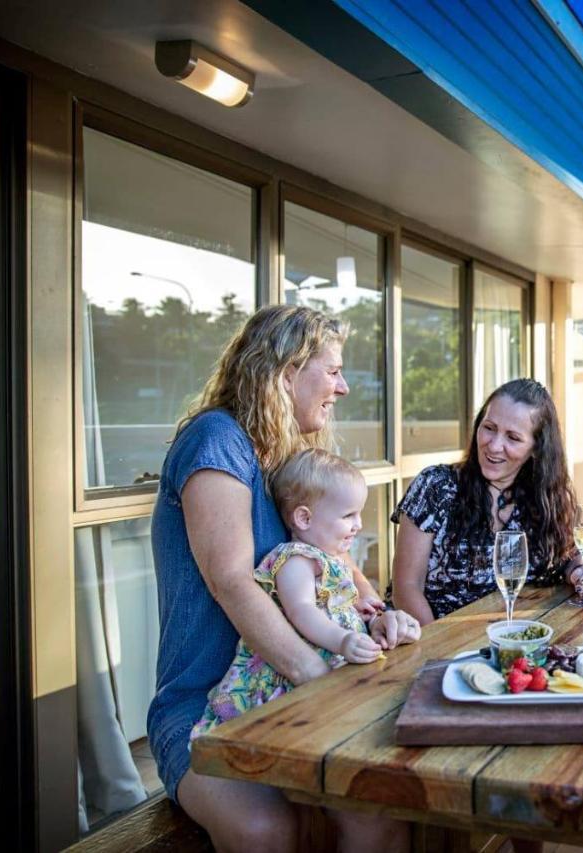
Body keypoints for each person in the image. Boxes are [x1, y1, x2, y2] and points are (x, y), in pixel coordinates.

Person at [148, 305, 418, 853]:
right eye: (334, 370)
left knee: (378, 809)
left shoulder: (288, 456)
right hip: (208, 710)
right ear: (287, 370)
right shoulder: (216, 441)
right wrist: (320, 680)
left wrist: (375, 611)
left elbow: (335, 560)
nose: (342, 387)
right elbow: (230, 580)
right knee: (265, 830)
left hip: (291, 697)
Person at [191, 448, 419, 739]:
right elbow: (302, 611)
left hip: (333, 671)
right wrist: (344, 639)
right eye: (348, 515)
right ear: (304, 518)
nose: (358, 524)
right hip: (286, 684)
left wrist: (367, 618)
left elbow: (334, 608)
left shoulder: (330, 560)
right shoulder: (295, 559)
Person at [390, 378, 583, 623]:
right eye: (489, 427)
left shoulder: (545, 496)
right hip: (434, 642)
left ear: (536, 448)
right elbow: (405, 588)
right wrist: (438, 651)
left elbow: (570, 558)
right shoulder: (436, 486)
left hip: (513, 639)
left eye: (513, 437)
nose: (494, 445)